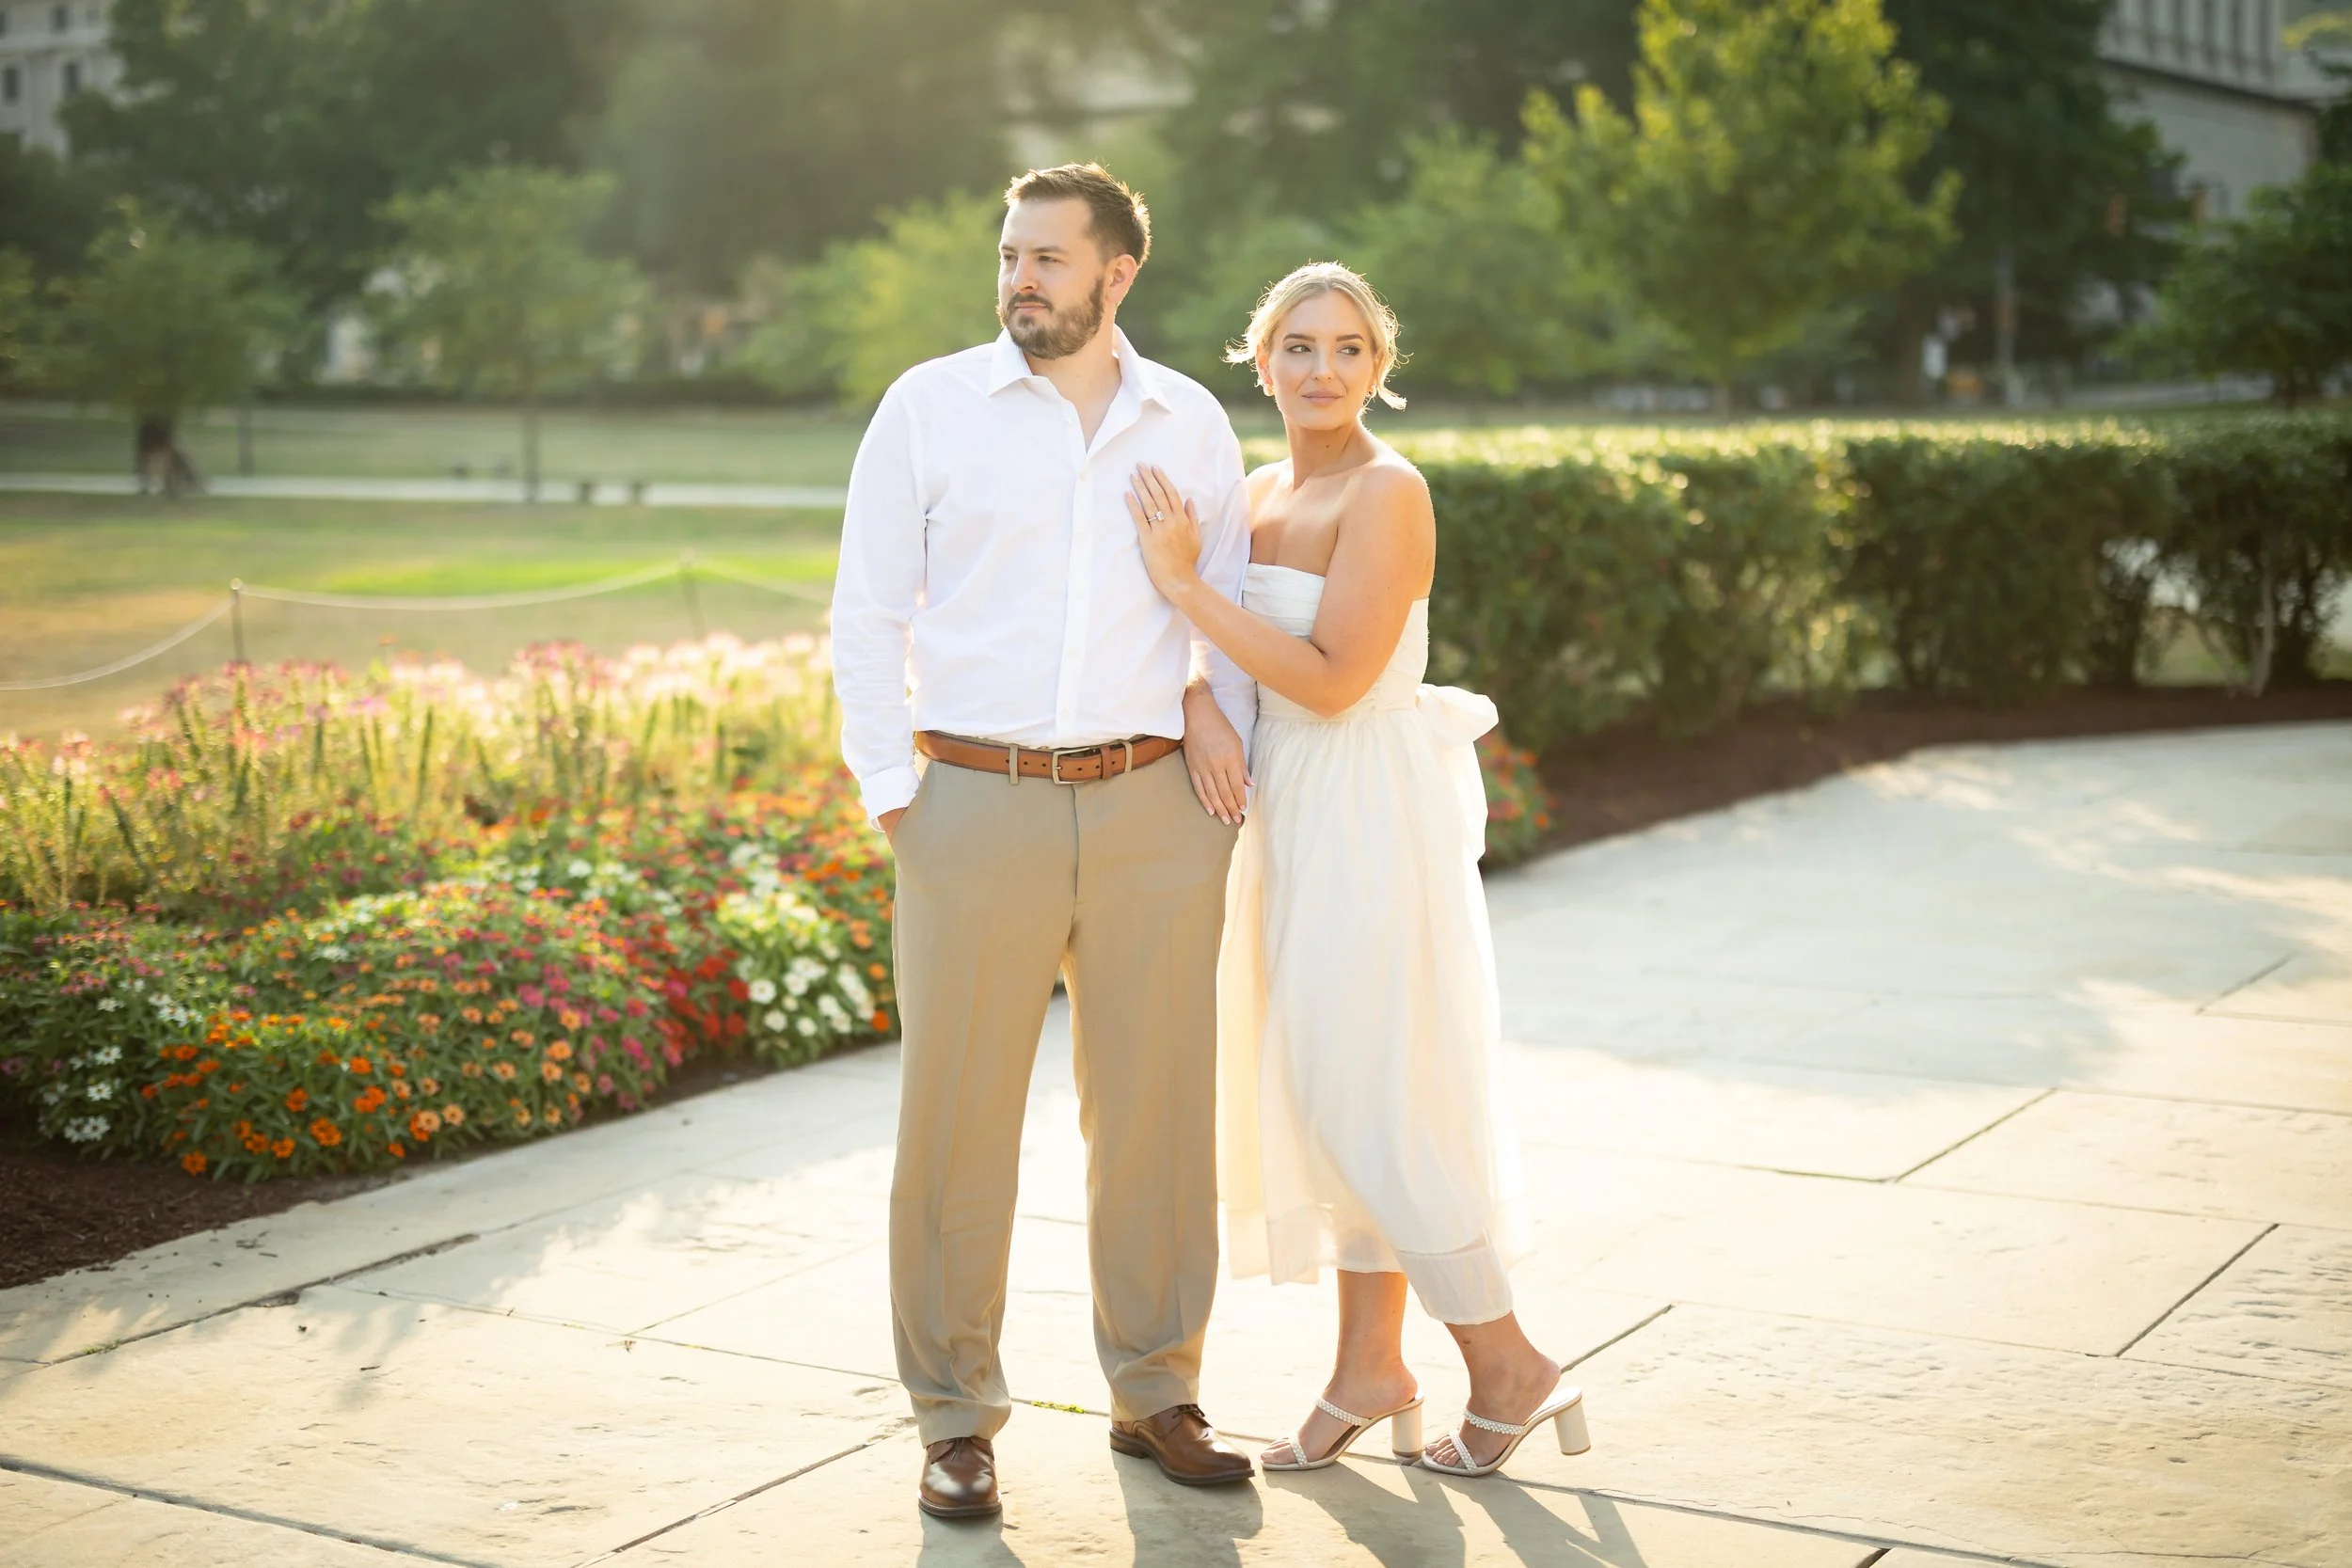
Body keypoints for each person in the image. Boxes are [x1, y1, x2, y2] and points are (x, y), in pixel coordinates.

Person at [830, 163, 1262, 1521]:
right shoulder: (929, 406)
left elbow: (1227, 604)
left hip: (1152, 812)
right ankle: (955, 1414)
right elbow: (864, 613)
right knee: (955, 1123)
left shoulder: (1187, 419)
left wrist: (1214, 726)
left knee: (1155, 1118)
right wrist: (898, 791)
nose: (1020, 278)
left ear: (1116, 274)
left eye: (1048, 260)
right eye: (1010, 255)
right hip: (970, 802)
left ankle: (1157, 1387)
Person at [1127, 262, 1591, 1479]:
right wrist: (1193, 697)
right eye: (1298, 345)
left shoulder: (1389, 492)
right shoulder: (1266, 487)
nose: (1322, 369)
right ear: (1260, 358)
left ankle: (1510, 1363)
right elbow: (1221, 656)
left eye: (1347, 348)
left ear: (1380, 367)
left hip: (1367, 804)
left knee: (1362, 1092)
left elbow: (1331, 677)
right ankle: (1367, 1368)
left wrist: (1180, 589)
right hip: (1286, 806)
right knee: (1331, 1084)